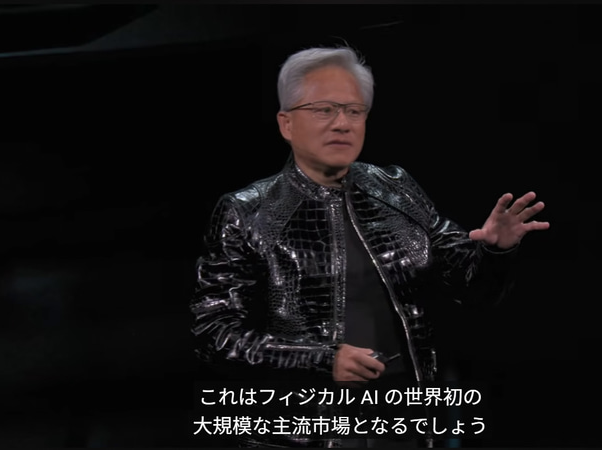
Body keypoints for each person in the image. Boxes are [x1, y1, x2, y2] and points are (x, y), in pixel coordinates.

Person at [190, 45, 550, 448]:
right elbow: (213, 334)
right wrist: (321, 360)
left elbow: (471, 289)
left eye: (354, 111)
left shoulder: (395, 189)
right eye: (324, 110)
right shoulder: (248, 211)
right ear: (286, 123)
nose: (342, 123)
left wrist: (496, 250)